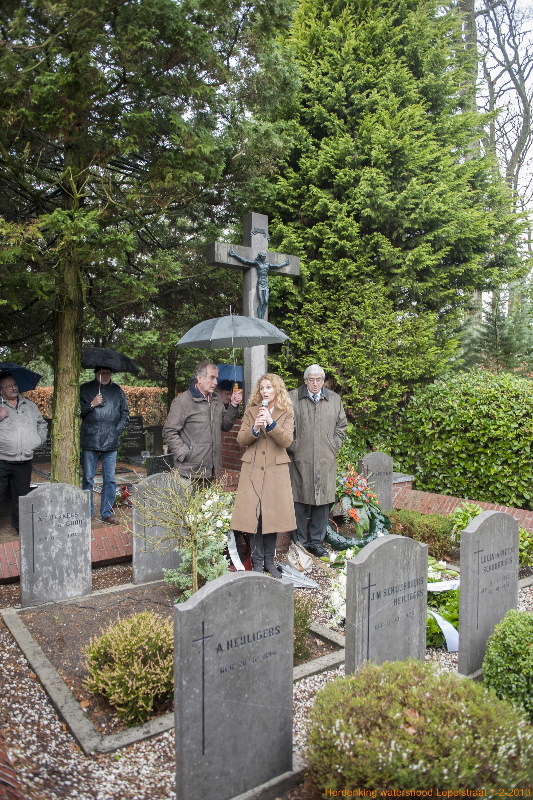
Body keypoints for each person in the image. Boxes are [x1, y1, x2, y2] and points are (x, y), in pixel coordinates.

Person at [231, 373, 296, 577]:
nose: (265, 391)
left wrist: (271, 423)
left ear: (277, 390)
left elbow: (287, 441)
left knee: (272, 516)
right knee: (255, 517)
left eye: (269, 387)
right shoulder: (252, 411)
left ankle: (270, 561)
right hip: (253, 469)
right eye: (262, 388)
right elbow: (241, 440)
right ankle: (257, 562)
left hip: (276, 470)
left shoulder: (286, 411)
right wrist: (255, 428)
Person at [288, 364, 347, 557]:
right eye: (311, 380)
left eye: (319, 380)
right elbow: (285, 426)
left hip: (325, 458)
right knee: (299, 501)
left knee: (322, 503)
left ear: (323, 380)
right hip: (300, 458)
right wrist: (294, 446)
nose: (315, 383)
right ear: (305, 381)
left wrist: (333, 446)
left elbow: (341, 426)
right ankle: (300, 543)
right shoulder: (292, 398)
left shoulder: (334, 399)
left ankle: (317, 543)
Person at [163, 362, 243, 480]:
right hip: (189, 472)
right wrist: (184, 454)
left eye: (216, 378)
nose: (215, 382)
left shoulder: (216, 399)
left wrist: (234, 405)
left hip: (213, 471)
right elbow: (169, 431)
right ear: (199, 378)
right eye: (212, 378)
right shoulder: (182, 401)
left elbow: (225, 425)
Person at [80, 367, 130, 524]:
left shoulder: (117, 391)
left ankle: (107, 512)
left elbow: (125, 414)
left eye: (108, 373)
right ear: (96, 373)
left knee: (110, 479)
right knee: (88, 478)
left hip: (111, 440)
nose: (106, 376)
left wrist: (115, 431)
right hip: (90, 439)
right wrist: (92, 404)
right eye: (103, 373)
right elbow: (77, 412)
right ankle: (87, 512)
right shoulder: (85, 389)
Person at [0, 372, 48, 533]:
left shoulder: (30, 405)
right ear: (1, 389)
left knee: (21, 496)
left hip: (24, 459)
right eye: (8, 386)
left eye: (15, 385)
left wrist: (39, 439)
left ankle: (20, 526)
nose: (13, 388)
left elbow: (42, 423)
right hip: (2, 459)